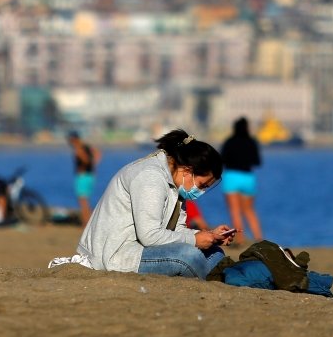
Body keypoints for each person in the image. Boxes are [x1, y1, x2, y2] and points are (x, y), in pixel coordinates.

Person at [75, 129, 235, 279]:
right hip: (117, 253)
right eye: (202, 185)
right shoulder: (150, 177)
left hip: (145, 247)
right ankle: (217, 277)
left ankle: (213, 274)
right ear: (187, 171)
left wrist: (209, 236)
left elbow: (176, 230)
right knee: (189, 255)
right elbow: (150, 236)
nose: (201, 191)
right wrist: (194, 240)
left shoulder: (176, 182)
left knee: (215, 253)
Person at [220, 117, 263, 244]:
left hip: (231, 177)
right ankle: (259, 238)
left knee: (235, 211)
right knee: (249, 210)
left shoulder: (229, 142)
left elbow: (222, 160)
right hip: (248, 178)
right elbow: (257, 162)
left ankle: (240, 239)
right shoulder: (252, 142)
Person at [67, 131, 100, 225]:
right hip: (90, 175)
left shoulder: (79, 148)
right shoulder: (86, 146)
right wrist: (94, 163)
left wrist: (87, 161)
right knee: (86, 200)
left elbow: (86, 160)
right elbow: (97, 153)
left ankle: (86, 222)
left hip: (83, 176)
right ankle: (88, 221)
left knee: (83, 201)